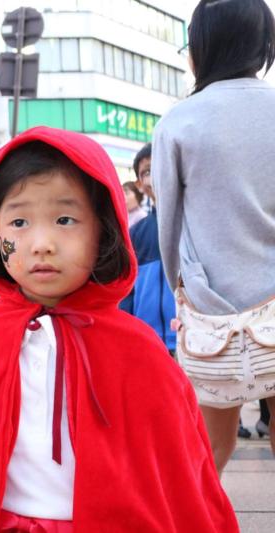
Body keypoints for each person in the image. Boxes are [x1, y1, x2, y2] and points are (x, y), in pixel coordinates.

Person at [0, 126, 238, 532]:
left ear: (103, 228)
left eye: (65, 219)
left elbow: (181, 479)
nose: (41, 243)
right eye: (18, 221)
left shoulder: (137, 349)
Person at [152, 0, 275, 475]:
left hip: (213, 310)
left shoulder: (180, 121)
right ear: (263, 43)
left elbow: (169, 230)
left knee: (208, 452)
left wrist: (181, 291)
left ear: (200, 46)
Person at [119, 143, 176, 353]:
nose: (154, 176)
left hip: (189, 341)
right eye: (147, 172)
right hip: (146, 342)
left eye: (160, 167)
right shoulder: (136, 232)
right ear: (140, 184)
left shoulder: (193, 224)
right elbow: (127, 289)